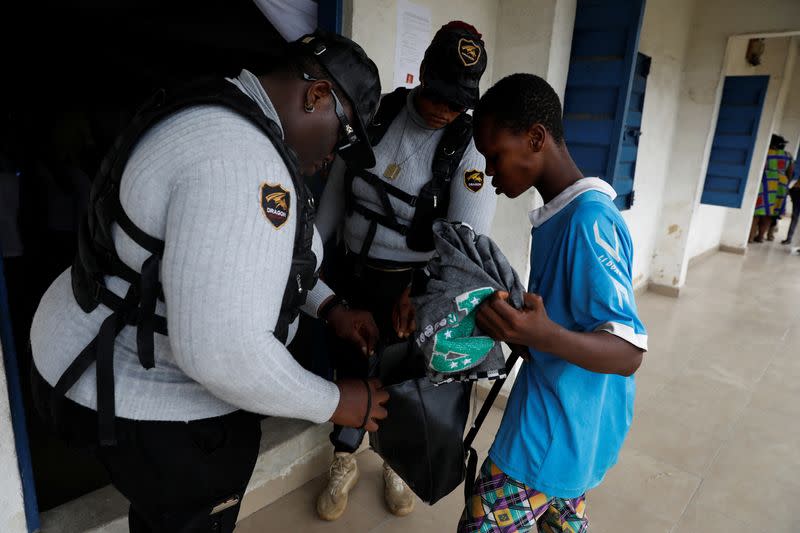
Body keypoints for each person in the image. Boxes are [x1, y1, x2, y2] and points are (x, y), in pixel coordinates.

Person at [29, 31, 391, 533]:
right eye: (344, 137)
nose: (334, 157)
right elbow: (222, 353)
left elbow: (264, 258)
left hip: (93, 349)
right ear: (317, 97)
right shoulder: (245, 163)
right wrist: (337, 402)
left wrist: (329, 307)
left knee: (159, 517)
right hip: (154, 400)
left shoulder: (217, 108)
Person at [313, 20, 497, 520]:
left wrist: (420, 296)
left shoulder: (467, 147)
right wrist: (310, 262)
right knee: (349, 368)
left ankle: (397, 461)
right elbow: (335, 198)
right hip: (351, 274)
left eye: (458, 103)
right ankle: (344, 456)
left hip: (412, 292)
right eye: (438, 96)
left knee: (403, 378)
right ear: (422, 76)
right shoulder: (378, 114)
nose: (444, 111)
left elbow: (463, 245)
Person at [459, 73, 647, 532]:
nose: (488, 172)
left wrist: (542, 334)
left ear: (535, 138)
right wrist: (521, 333)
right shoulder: (561, 215)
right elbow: (570, 325)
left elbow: (628, 352)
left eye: (494, 155)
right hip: (574, 426)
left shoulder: (588, 221)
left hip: (548, 431)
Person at [752, 134, 793, 243]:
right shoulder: (788, 156)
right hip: (781, 185)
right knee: (770, 213)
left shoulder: (765, 152)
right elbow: (790, 173)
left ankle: (750, 237)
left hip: (766, 182)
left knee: (757, 210)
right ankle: (760, 237)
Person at [780, 145, 798, 245]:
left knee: (795, 218)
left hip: (797, 192)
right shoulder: (788, 157)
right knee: (795, 217)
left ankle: (789, 238)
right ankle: (790, 238)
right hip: (797, 192)